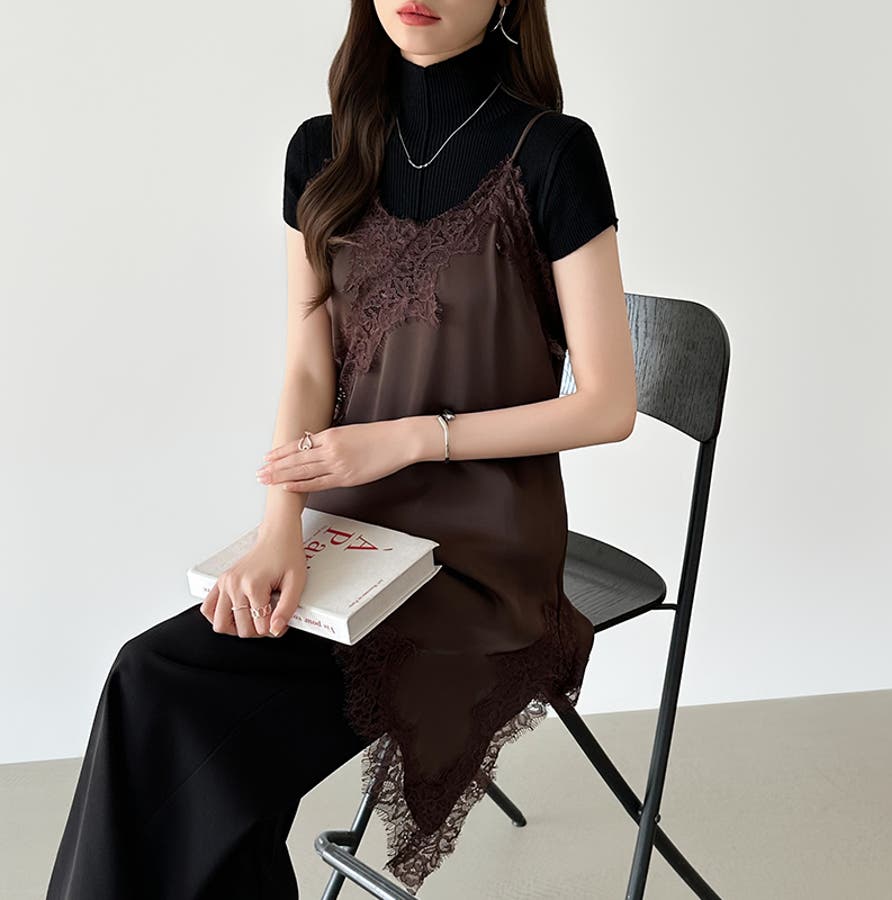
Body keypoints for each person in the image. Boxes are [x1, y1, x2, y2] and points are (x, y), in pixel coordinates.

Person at [47, 1, 635, 898]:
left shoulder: (553, 153)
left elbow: (607, 406)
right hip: (354, 539)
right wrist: (277, 526)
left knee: (190, 718)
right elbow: (306, 366)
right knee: (151, 679)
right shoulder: (321, 153)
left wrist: (414, 439)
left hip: (481, 560)